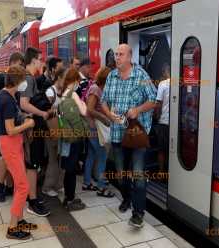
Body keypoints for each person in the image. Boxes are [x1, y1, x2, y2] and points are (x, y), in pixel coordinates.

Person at [101, 44, 157, 228]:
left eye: (121, 54)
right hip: (117, 135)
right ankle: (126, 198)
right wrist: (109, 115)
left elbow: (153, 100)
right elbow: (103, 103)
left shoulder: (142, 76)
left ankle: (138, 214)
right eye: (116, 54)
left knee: (138, 175)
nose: (117, 57)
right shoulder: (111, 76)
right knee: (120, 175)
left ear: (130, 56)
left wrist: (137, 110)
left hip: (136, 135)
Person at [0, 65, 36, 240]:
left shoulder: (8, 95)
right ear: (16, 81)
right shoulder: (6, 99)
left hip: (13, 144)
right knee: (22, 186)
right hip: (10, 143)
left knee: (21, 184)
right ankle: (12, 228)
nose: (24, 85)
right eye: (23, 81)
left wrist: (23, 119)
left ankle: (19, 220)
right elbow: (10, 129)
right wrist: (27, 125)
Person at [19, 47, 50, 216]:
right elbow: (24, 103)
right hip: (31, 127)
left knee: (30, 163)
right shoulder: (29, 79)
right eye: (40, 58)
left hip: (26, 125)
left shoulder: (25, 77)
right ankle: (32, 200)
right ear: (33, 60)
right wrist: (42, 113)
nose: (42, 62)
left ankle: (30, 196)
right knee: (32, 164)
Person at [0, 52, 24, 202]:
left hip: (10, 121)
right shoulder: (0, 78)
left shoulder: (13, 90)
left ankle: (9, 185)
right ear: (13, 62)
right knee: (5, 158)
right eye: (19, 65)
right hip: (3, 126)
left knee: (10, 159)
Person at [59, 68, 88, 211]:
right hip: (74, 138)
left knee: (68, 169)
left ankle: (68, 197)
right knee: (71, 169)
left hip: (66, 137)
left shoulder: (63, 95)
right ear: (75, 81)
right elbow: (84, 112)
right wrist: (83, 103)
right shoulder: (73, 94)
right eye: (78, 81)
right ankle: (70, 200)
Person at [83, 67, 114, 197]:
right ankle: (101, 187)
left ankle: (87, 182)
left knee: (91, 155)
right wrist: (103, 118)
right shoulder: (96, 89)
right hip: (94, 127)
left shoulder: (100, 88)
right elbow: (89, 109)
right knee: (102, 156)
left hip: (93, 127)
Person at [42, 67, 65, 197]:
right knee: (53, 159)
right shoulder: (50, 92)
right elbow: (46, 112)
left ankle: (58, 184)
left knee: (61, 158)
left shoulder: (63, 91)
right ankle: (47, 186)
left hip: (60, 129)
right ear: (59, 78)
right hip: (51, 130)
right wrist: (60, 110)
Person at [154, 64, 170, 172]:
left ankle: (161, 172)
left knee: (161, 150)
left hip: (163, 122)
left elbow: (158, 103)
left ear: (164, 72)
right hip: (174, 123)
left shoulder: (162, 84)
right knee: (170, 150)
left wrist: (156, 117)